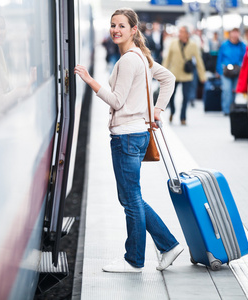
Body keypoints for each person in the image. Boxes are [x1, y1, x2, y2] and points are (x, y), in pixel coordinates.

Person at [74, 8, 183, 273]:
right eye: (113, 25)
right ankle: (168, 245)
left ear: (134, 30)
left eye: (121, 26)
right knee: (131, 197)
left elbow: (117, 101)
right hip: (138, 134)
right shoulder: (141, 57)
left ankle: (135, 259)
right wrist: (157, 109)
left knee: (131, 199)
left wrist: (90, 81)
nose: (116, 30)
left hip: (126, 136)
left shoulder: (128, 60)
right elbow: (168, 79)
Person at [163, 26, 206, 125]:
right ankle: (173, 111)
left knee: (186, 97)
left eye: (182, 32)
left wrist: (202, 76)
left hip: (187, 75)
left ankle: (183, 117)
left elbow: (199, 60)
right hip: (174, 74)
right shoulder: (173, 43)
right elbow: (167, 59)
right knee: (171, 96)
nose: (180, 34)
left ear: (187, 34)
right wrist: (162, 73)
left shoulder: (193, 45)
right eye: (179, 32)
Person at [216, 28, 246, 115]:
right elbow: (220, 58)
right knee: (226, 90)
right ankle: (226, 110)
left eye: (237, 32)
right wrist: (219, 71)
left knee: (234, 90)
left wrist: (240, 66)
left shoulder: (242, 45)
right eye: (233, 32)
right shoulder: (224, 45)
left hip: (237, 71)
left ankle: (232, 107)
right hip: (226, 71)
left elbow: (244, 58)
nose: (235, 35)